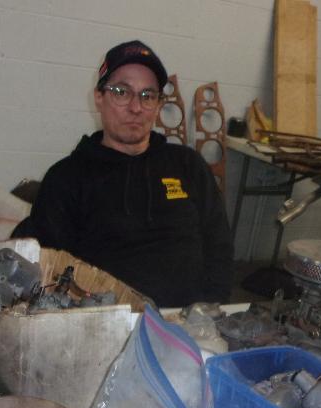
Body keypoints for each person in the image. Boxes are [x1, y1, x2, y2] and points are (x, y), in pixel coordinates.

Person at [13, 40, 234, 307]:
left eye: (147, 96)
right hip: (105, 320)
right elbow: (46, 268)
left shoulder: (188, 165)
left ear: (158, 104)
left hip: (187, 319)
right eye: (122, 92)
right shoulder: (67, 178)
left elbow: (219, 248)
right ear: (99, 97)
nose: (136, 107)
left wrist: (209, 309)